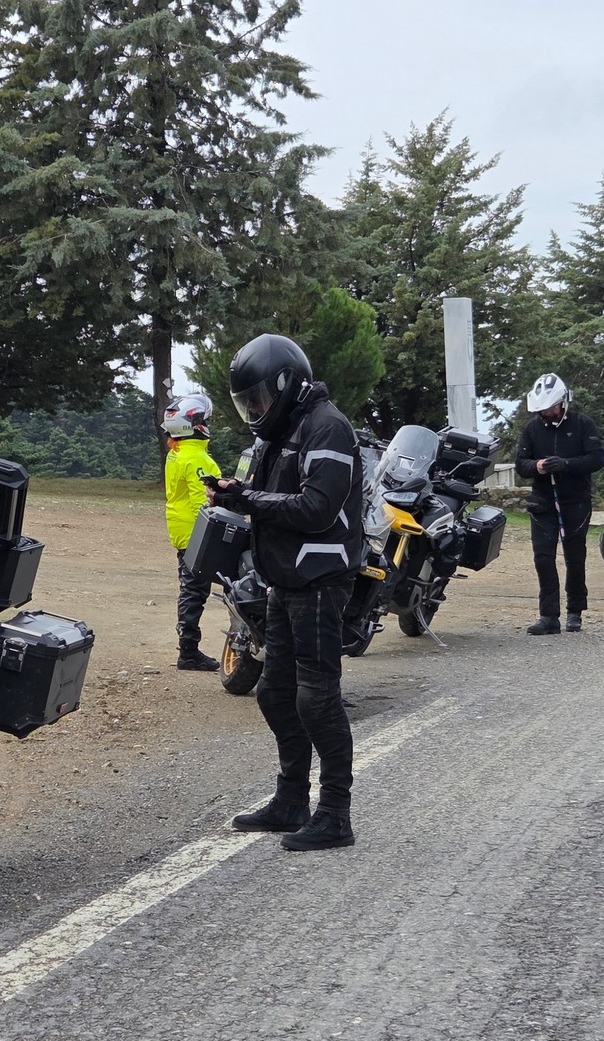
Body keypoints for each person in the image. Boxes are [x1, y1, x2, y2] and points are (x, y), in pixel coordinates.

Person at [207, 334, 363, 851]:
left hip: (320, 580)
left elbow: (316, 508)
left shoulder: (327, 426)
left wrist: (248, 500)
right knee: (275, 694)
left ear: (287, 383)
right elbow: (268, 495)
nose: (254, 410)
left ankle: (335, 815)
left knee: (317, 700)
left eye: (259, 398)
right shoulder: (283, 430)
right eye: (247, 401)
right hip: (285, 581)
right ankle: (292, 799)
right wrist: (236, 493)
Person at [513, 373, 604, 634]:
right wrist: (538, 466)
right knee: (543, 558)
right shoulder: (532, 429)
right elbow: (521, 464)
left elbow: (597, 459)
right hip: (542, 502)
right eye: (542, 410)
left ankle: (575, 611)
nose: (547, 414)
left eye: (551, 408)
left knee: (575, 557)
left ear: (562, 403)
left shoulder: (582, 424)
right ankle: (548, 616)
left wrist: (566, 464)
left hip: (575, 501)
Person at [161, 394, 224, 671]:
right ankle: (188, 651)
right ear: (195, 425)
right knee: (195, 590)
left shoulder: (176, 453)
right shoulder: (197, 458)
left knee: (190, 587)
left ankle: (188, 649)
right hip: (197, 531)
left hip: (182, 527)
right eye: (205, 421)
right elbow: (205, 500)